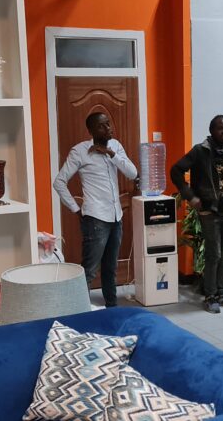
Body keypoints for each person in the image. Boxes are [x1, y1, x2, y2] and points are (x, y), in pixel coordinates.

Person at [53, 112, 137, 307]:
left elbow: (132, 173)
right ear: (91, 131)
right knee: (89, 270)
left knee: (110, 268)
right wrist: (75, 209)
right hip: (95, 218)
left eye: (108, 124)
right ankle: (79, 310)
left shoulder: (115, 146)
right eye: (101, 126)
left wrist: (111, 154)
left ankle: (111, 308)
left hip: (116, 216)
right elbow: (59, 182)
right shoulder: (80, 151)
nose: (108, 128)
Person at [170, 115, 223, 313]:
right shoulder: (200, 151)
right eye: (220, 128)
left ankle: (221, 292)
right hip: (207, 209)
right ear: (212, 130)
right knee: (214, 254)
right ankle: (210, 295)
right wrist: (190, 196)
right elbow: (176, 171)